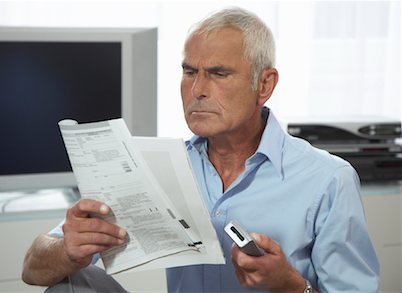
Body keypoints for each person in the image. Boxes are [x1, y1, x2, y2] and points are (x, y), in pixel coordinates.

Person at [22, 7, 380, 292]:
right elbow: (33, 268)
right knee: (72, 282)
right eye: (189, 71)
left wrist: (290, 286)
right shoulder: (149, 168)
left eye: (219, 73)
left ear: (264, 84)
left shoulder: (328, 180)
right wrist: (68, 249)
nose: (197, 90)